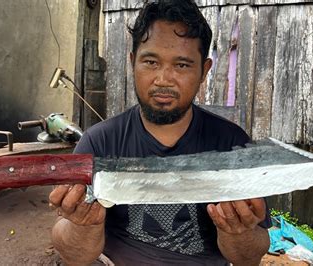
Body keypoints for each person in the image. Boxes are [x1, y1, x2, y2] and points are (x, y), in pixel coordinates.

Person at [49, 0, 270, 264]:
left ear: (204, 71)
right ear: (133, 62)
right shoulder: (100, 141)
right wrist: (82, 226)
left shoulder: (232, 145)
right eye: (151, 61)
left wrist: (238, 232)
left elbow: (250, 258)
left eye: (182, 65)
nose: (163, 79)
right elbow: (75, 257)